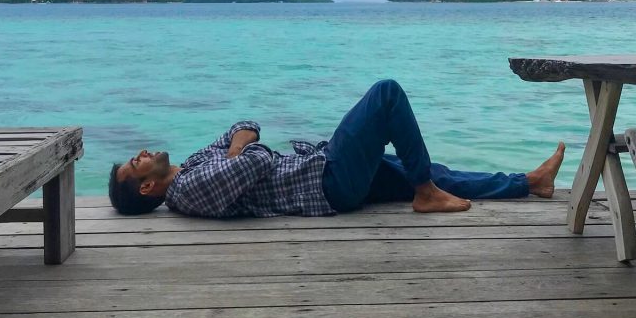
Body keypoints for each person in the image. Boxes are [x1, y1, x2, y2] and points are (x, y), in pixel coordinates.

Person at [109, 79, 565, 218]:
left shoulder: (193, 166)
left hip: (323, 170)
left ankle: (529, 183)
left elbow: (244, 126)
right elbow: (258, 155)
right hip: (327, 184)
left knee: (426, 168)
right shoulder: (187, 193)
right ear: (148, 188)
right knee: (385, 95)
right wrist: (240, 148)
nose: (143, 151)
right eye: (136, 163)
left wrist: (238, 145)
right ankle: (425, 193)